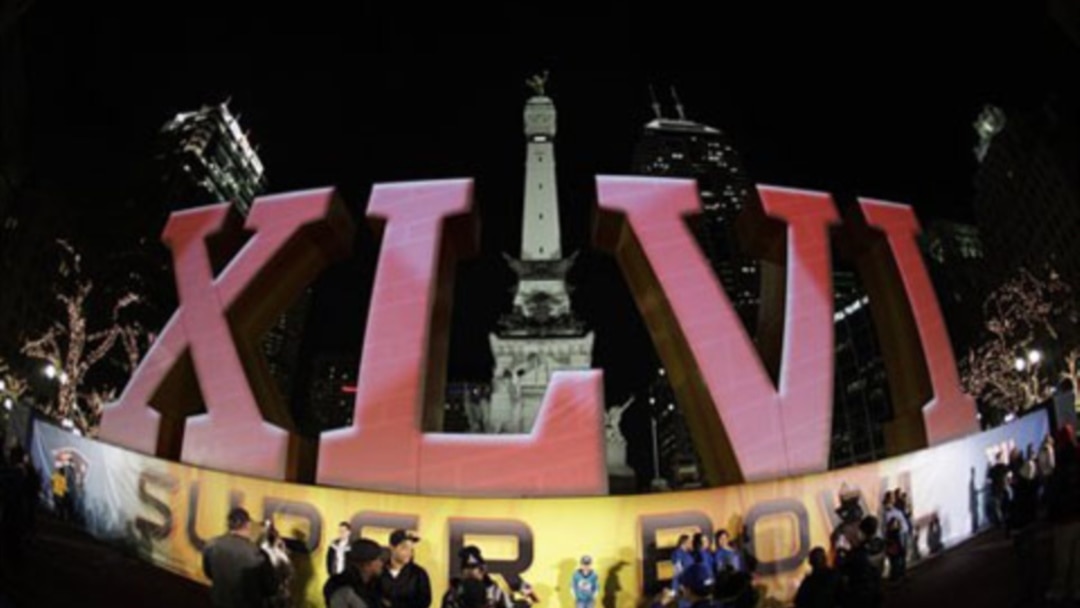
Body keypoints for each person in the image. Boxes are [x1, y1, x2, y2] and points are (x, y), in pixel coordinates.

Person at [202, 507, 276, 608]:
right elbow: (271, 589)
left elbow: (209, 573)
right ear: (248, 525)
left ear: (229, 525)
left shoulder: (211, 544)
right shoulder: (258, 554)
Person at [324, 538, 385, 608]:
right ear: (366, 564)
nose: (381, 563)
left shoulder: (375, 585)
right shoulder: (342, 588)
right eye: (378, 559)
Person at [443, 546, 511, 608]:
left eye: (473, 567)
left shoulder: (496, 593)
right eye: (466, 568)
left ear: (482, 570)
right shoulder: (453, 594)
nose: (469, 572)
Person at [381, 529, 432, 608]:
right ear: (392, 547)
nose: (408, 552)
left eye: (411, 549)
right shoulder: (379, 572)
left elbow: (424, 601)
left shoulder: (418, 574)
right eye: (404, 548)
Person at [259, 522, 293, 608]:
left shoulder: (280, 552)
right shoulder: (261, 550)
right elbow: (290, 572)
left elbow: (289, 572)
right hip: (268, 593)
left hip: (276, 591)